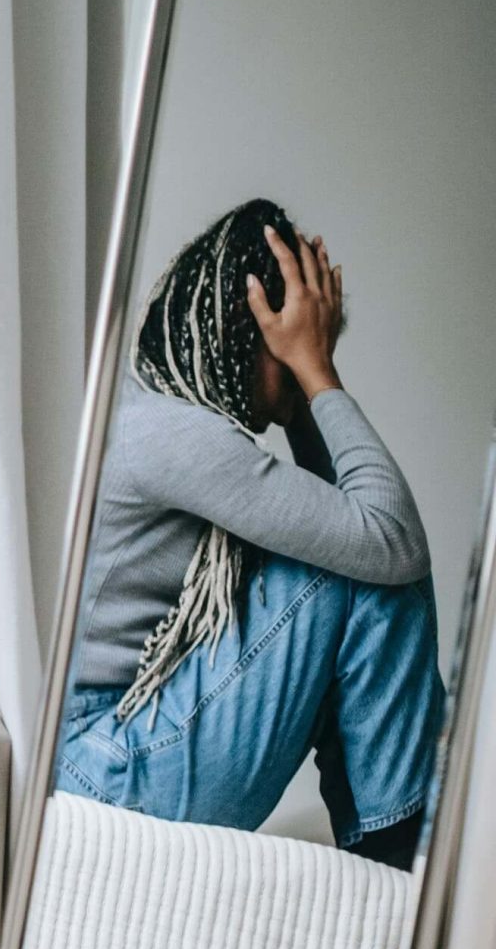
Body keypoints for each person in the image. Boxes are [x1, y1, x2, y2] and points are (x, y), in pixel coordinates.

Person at [56, 197, 440, 866]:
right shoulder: (179, 436)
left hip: (97, 756)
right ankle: (401, 854)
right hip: (104, 775)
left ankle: (395, 849)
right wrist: (317, 374)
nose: (306, 356)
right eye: (294, 340)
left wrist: (302, 398)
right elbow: (389, 538)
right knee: (372, 573)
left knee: (364, 564)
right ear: (252, 330)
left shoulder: (151, 404)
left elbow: (356, 525)